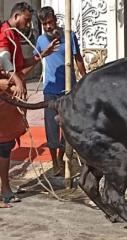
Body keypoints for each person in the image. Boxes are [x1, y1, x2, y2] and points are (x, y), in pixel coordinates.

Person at [0, 2, 57, 206]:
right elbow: (5, 59)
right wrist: (14, 80)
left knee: (5, 145)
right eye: (25, 20)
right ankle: (4, 190)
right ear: (16, 16)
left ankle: (5, 188)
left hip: (8, 97)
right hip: (3, 95)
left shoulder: (15, 36)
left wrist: (43, 54)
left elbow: (20, 63)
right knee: (2, 145)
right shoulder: (5, 33)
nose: (27, 25)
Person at [36, 6, 86, 176]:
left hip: (68, 90)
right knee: (51, 127)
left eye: (50, 22)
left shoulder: (69, 36)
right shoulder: (41, 40)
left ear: (55, 20)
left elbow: (78, 58)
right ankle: (55, 163)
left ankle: (64, 157)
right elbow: (37, 58)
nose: (48, 26)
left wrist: (85, 80)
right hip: (50, 90)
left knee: (67, 126)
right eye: (44, 24)